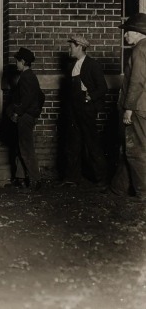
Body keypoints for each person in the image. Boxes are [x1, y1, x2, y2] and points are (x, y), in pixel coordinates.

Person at [58, 35, 108, 188]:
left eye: (71, 46)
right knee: (73, 145)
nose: (69, 49)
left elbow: (103, 88)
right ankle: (72, 178)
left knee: (92, 145)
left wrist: (90, 96)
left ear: (79, 46)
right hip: (73, 112)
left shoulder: (92, 65)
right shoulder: (72, 66)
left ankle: (102, 180)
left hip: (86, 111)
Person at [106, 13, 146, 200]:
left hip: (137, 108)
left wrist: (128, 109)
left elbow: (137, 81)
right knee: (127, 147)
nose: (125, 36)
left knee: (135, 150)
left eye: (127, 32)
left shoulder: (139, 49)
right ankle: (119, 187)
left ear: (138, 33)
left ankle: (143, 192)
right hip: (142, 106)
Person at [5, 48, 45, 190]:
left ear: (23, 62)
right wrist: (36, 112)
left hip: (25, 117)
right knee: (20, 147)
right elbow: (41, 96)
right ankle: (20, 178)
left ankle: (36, 180)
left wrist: (18, 113)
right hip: (28, 116)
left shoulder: (26, 77)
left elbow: (27, 100)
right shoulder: (29, 76)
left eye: (17, 61)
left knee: (26, 148)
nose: (16, 63)